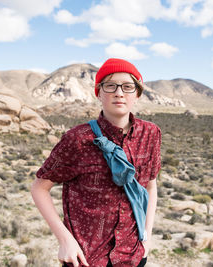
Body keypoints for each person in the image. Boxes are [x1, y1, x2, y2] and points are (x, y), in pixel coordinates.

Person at [31, 58, 162, 267]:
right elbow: (39, 188)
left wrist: (147, 235)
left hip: (133, 254)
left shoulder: (151, 134)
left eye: (128, 87)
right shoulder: (78, 138)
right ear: (98, 93)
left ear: (137, 94)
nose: (119, 92)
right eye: (110, 85)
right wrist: (65, 241)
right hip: (85, 257)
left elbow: (150, 185)